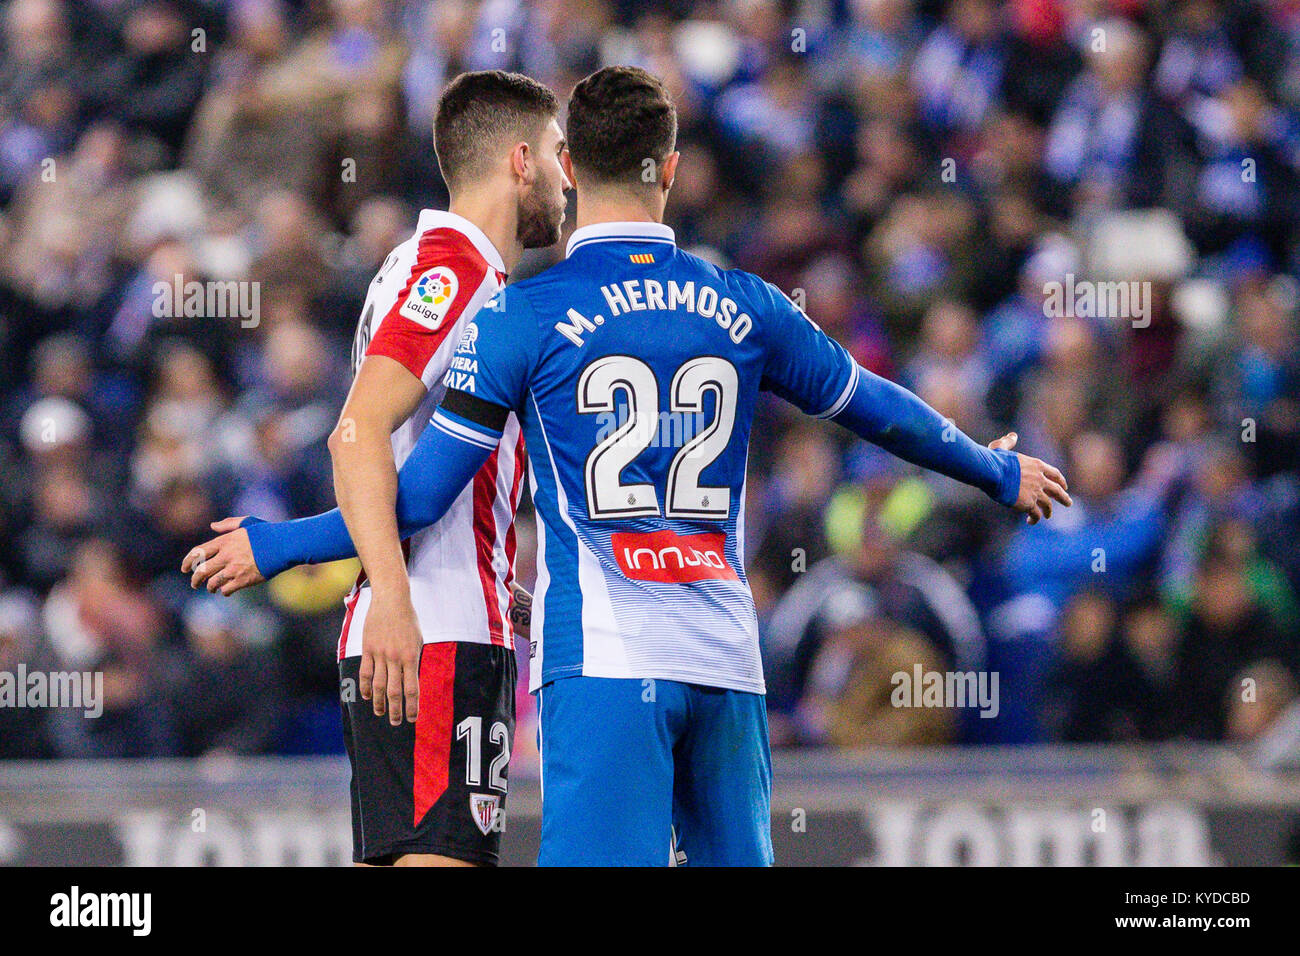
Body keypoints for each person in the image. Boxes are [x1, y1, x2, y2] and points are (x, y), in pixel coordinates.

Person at [187, 66, 1069, 866]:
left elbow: (415, 496)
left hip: (606, 658)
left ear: (567, 167)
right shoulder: (746, 301)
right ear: (672, 169)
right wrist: (994, 472)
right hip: (725, 655)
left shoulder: (520, 315)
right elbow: (874, 404)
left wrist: (285, 545)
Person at [184, 69, 569, 867]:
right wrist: (390, 593)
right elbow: (357, 432)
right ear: (522, 160)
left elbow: (425, 475)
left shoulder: (426, 266)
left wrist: (509, 593)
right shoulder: (456, 275)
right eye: (563, 155)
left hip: (438, 619)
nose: (572, 180)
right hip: (432, 631)